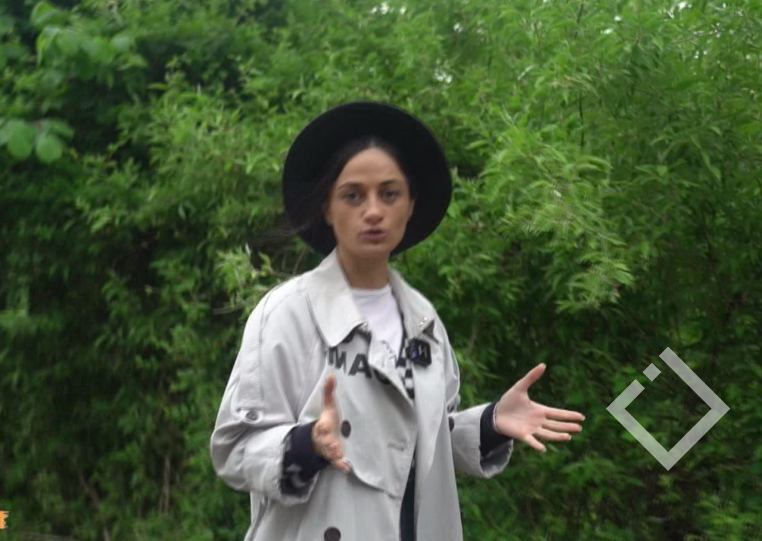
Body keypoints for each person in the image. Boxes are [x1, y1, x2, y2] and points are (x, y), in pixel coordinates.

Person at [209, 101, 586, 541]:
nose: (373, 211)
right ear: (327, 207)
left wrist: (490, 423)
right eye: (353, 195)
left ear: (410, 206)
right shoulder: (288, 314)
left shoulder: (424, 321)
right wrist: (307, 444)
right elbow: (235, 448)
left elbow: (419, 443)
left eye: (389, 194)